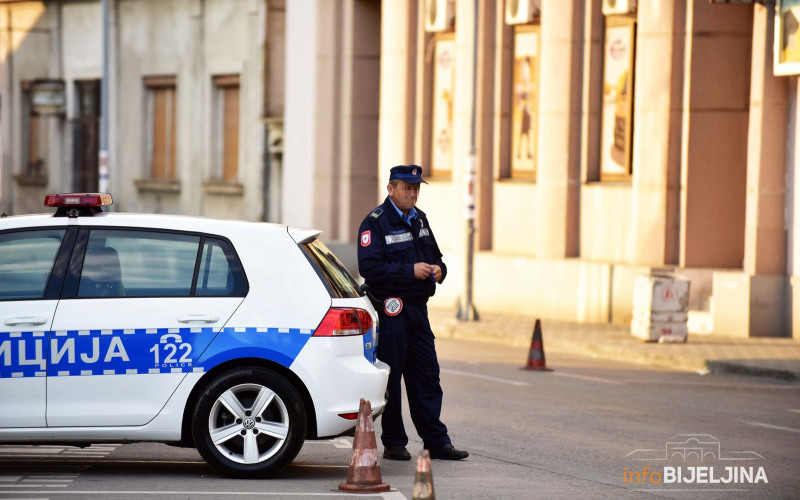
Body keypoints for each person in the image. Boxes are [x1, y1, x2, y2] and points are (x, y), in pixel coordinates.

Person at [357, 164, 469, 461]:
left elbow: (436, 256)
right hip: (392, 310)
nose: (413, 193)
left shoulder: (420, 219)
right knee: (393, 379)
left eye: (416, 188)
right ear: (391, 189)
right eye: (407, 188)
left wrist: (439, 270)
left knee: (427, 376)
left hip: (419, 310)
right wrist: (409, 271)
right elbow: (369, 268)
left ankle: (436, 441)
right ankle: (394, 442)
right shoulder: (375, 222)